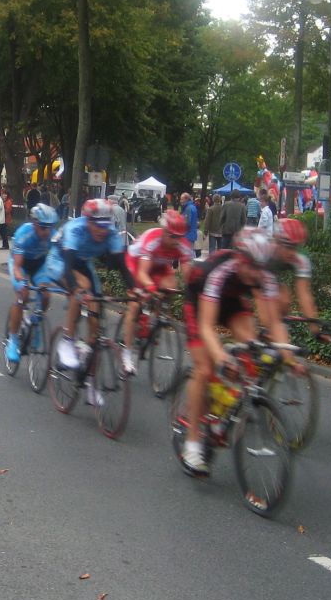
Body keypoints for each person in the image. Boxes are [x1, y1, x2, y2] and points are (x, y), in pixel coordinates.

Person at [178, 229, 285, 475]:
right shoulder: (219, 271)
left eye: (261, 268)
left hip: (232, 302)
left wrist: (285, 353)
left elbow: (273, 323)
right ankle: (192, 443)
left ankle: (222, 407)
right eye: (252, 267)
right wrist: (220, 357)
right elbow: (206, 326)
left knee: (251, 348)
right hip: (199, 300)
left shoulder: (263, 274)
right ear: (239, 259)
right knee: (205, 368)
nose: (257, 274)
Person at [43, 199, 134, 393]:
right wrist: (77, 291)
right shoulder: (75, 229)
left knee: (96, 321)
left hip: (83, 262)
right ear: (88, 221)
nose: (102, 230)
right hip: (60, 260)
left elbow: (122, 267)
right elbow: (68, 268)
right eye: (98, 225)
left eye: (105, 225)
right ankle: (67, 341)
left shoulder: (111, 233)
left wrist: (135, 290)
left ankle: (90, 379)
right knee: (82, 289)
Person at [119, 210, 193, 375]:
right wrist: (150, 288)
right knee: (135, 304)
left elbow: (188, 276)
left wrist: (192, 293)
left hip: (159, 266)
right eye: (173, 236)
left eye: (180, 237)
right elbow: (142, 274)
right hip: (136, 263)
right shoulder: (153, 239)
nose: (176, 241)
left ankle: (157, 319)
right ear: (164, 231)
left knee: (171, 285)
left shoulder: (183, 245)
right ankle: (127, 354)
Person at [4, 203, 59, 364]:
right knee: (23, 294)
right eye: (43, 227)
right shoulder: (24, 233)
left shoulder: (53, 235)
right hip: (20, 264)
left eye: (50, 227)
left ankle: (36, 322)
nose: (46, 231)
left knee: (46, 294)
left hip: (39, 264)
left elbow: (57, 261)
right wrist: (23, 282)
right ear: (34, 223)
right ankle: (13, 340)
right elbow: (17, 267)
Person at [180, 192, 200, 257]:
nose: (180, 201)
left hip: (187, 235)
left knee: (187, 255)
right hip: (192, 234)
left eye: (182, 199)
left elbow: (187, 223)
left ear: (186, 199)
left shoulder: (188, 208)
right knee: (190, 253)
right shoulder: (193, 207)